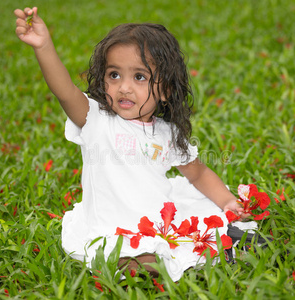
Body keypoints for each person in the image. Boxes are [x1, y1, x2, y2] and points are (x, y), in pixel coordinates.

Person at [14, 7, 246, 281]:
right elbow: (63, 89)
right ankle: (207, 255)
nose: (124, 87)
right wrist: (44, 46)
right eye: (114, 75)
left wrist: (228, 200)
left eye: (139, 77)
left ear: (166, 90)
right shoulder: (96, 119)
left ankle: (223, 247)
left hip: (155, 220)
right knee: (137, 261)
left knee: (188, 236)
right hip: (109, 225)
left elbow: (198, 173)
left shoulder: (166, 134)